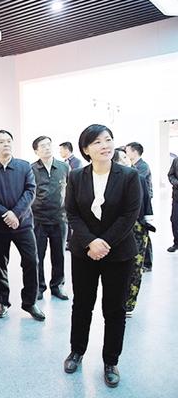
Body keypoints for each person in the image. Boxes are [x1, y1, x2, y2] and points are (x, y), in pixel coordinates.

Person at [63, 124, 141, 388]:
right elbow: (72, 213)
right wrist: (90, 242)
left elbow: (129, 215)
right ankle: (77, 351)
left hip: (118, 253)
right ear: (86, 149)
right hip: (83, 252)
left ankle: (111, 361)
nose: (105, 146)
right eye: (97, 142)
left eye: (108, 140)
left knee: (114, 308)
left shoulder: (129, 175)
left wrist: (104, 242)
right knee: (82, 304)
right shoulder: (76, 176)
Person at [0, 130, 45, 321]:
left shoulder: (24, 166)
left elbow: (30, 191)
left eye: (9, 141)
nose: (6, 144)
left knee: (31, 262)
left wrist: (15, 213)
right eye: (1, 142)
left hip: (23, 224)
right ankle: (2, 301)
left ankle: (30, 302)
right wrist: (5, 214)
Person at [112, 148, 153, 316]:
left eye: (125, 157)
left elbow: (147, 203)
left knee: (136, 267)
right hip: (116, 229)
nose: (125, 160)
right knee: (116, 267)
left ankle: (129, 303)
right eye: (120, 158)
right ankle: (116, 301)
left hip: (137, 229)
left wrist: (147, 223)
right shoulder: (111, 181)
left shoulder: (139, 178)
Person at [31, 136, 70, 301]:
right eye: (42, 146)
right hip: (38, 219)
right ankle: (39, 287)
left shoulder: (64, 167)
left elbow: (71, 190)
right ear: (36, 151)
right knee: (38, 256)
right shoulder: (31, 169)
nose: (47, 148)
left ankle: (57, 286)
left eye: (49, 144)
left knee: (59, 255)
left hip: (60, 218)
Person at [125, 142, 153, 272]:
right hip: (135, 204)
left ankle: (147, 263)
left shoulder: (142, 167)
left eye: (127, 152)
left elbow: (137, 182)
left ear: (134, 152)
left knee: (143, 235)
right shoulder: (133, 166)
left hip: (142, 203)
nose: (126, 154)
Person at [168, 156, 178, 252]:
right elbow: (171, 175)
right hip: (176, 197)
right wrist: (176, 182)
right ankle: (176, 243)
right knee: (175, 220)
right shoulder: (176, 160)